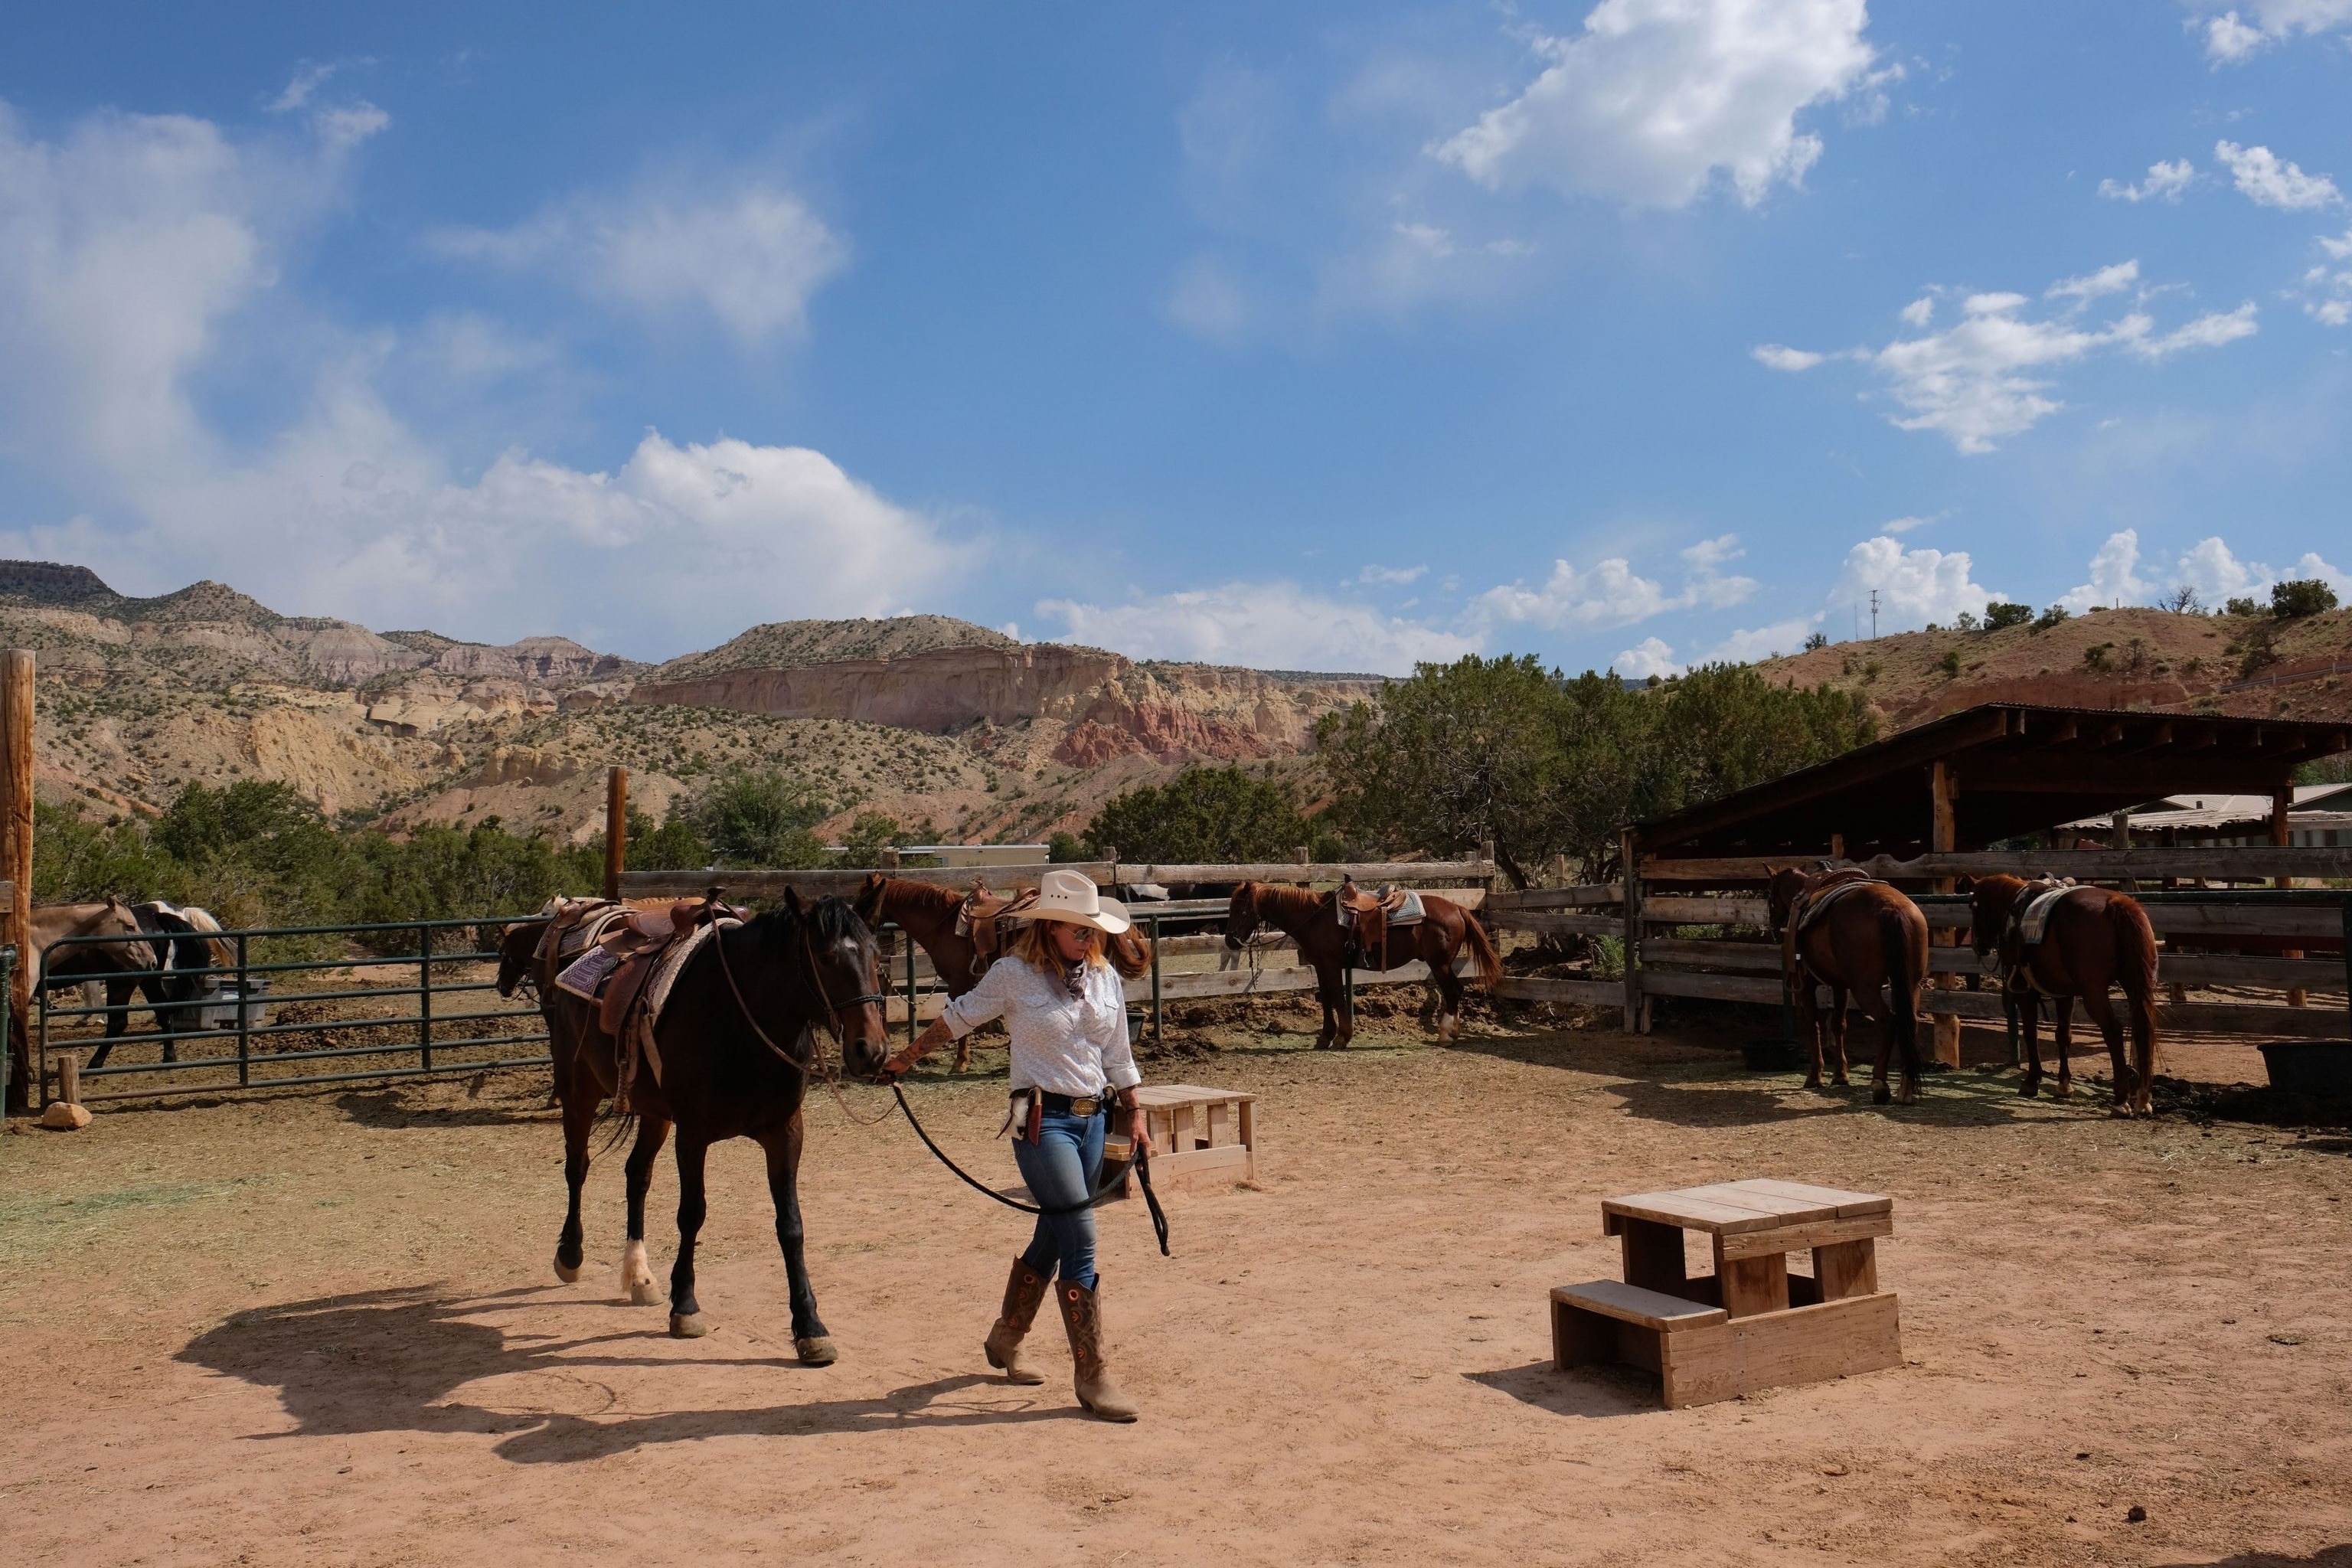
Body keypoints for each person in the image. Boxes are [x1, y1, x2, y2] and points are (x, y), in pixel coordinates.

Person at [875, 868, 1152, 1422]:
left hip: (1093, 1117)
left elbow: (1118, 1053)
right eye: (1077, 928)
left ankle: (1005, 1339)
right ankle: (1093, 1376)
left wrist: (1135, 1112)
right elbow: (958, 1019)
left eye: (1091, 928)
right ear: (1049, 926)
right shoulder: (1011, 974)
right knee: (1081, 1231)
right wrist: (906, 1058)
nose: (1088, 937)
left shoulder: (1104, 978)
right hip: (1036, 1115)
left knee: (1053, 1233)